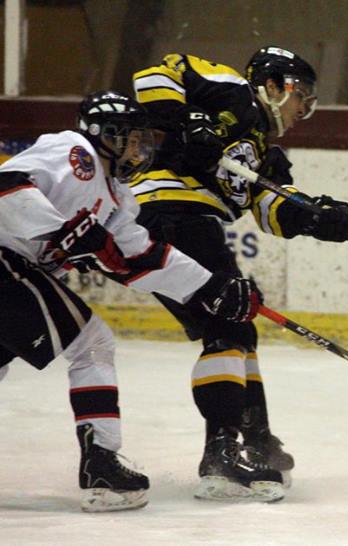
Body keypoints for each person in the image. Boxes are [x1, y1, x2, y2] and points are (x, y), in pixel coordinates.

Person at [0, 90, 262, 511]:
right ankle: (100, 463)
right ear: (107, 134)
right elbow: (6, 185)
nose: (143, 149)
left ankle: (100, 461)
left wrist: (212, 287)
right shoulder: (74, 152)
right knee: (93, 343)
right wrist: (59, 229)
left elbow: (139, 258)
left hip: (17, 272)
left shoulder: (117, 198)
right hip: (6, 263)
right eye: (135, 138)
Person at [128, 46, 348, 500]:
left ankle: (253, 439)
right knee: (230, 322)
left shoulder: (266, 155)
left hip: (185, 220)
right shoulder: (232, 93)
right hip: (166, 208)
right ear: (273, 85)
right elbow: (154, 74)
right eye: (300, 95)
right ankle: (222, 455)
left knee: (236, 326)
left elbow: (271, 208)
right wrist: (185, 120)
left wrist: (316, 217)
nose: (303, 109)